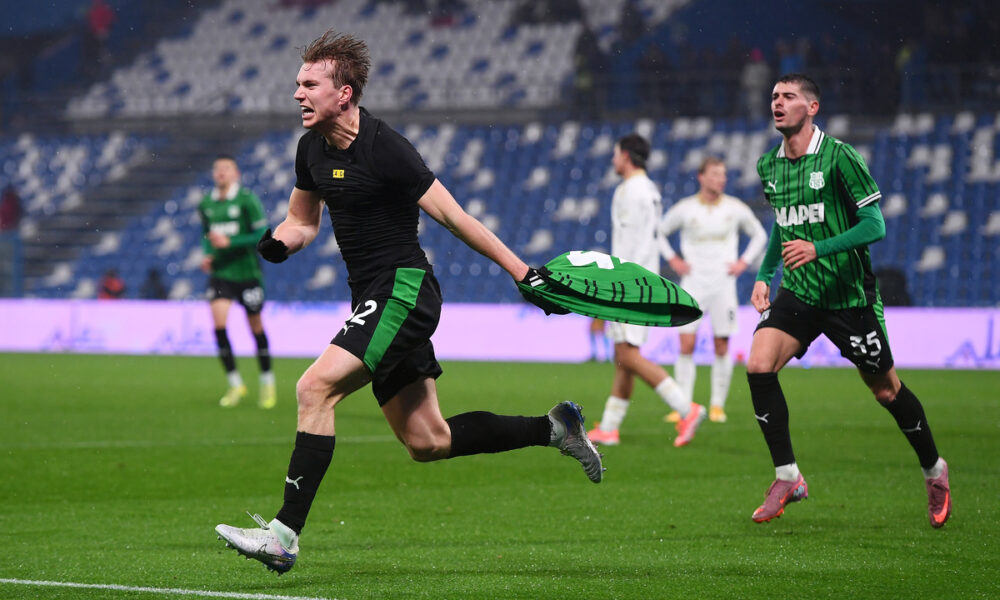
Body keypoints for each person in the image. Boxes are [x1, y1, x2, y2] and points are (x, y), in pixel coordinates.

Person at [214, 31, 603, 574]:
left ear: (344, 93)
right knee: (428, 441)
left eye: (309, 84)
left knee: (313, 388)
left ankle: (283, 535)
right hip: (372, 296)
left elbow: (454, 217)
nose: (297, 93)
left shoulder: (386, 147)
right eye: (297, 83)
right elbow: (303, 220)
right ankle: (555, 428)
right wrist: (279, 243)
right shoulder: (310, 150)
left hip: (403, 288)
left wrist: (523, 272)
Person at [746, 73, 950, 528]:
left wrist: (820, 248)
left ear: (812, 107)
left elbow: (875, 225)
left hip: (849, 297)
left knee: (885, 390)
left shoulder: (840, 157)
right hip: (799, 292)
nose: (778, 103)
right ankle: (788, 476)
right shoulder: (769, 166)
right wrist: (764, 274)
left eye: (789, 96)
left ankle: (935, 471)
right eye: (774, 96)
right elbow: (784, 223)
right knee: (759, 364)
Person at [585, 133, 705, 448]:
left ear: (626, 156)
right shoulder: (649, 189)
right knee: (623, 355)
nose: (613, 160)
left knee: (628, 355)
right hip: (644, 280)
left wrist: (614, 285)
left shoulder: (629, 191)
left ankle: (686, 408)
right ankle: (610, 427)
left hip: (629, 283)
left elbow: (628, 246)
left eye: (615, 154)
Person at [659, 157, 767, 424]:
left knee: (721, 344)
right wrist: (673, 259)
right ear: (702, 177)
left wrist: (744, 261)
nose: (722, 179)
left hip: (723, 285)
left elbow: (760, 235)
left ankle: (717, 405)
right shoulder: (685, 209)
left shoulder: (734, 208)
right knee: (686, 344)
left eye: (723, 175)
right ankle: (683, 405)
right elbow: (659, 232)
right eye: (716, 174)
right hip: (693, 283)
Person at [197, 154, 277, 409]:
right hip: (221, 274)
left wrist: (231, 242)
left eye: (226, 168)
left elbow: (261, 235)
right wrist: (208, 254)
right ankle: (235, 384)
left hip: (247, 274)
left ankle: (266, 380)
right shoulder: (206, 203)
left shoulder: (246, 200)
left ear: (236, 174)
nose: (221, 172)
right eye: (217, 168)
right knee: (218, 326)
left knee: (255, 326)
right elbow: (205, 234)